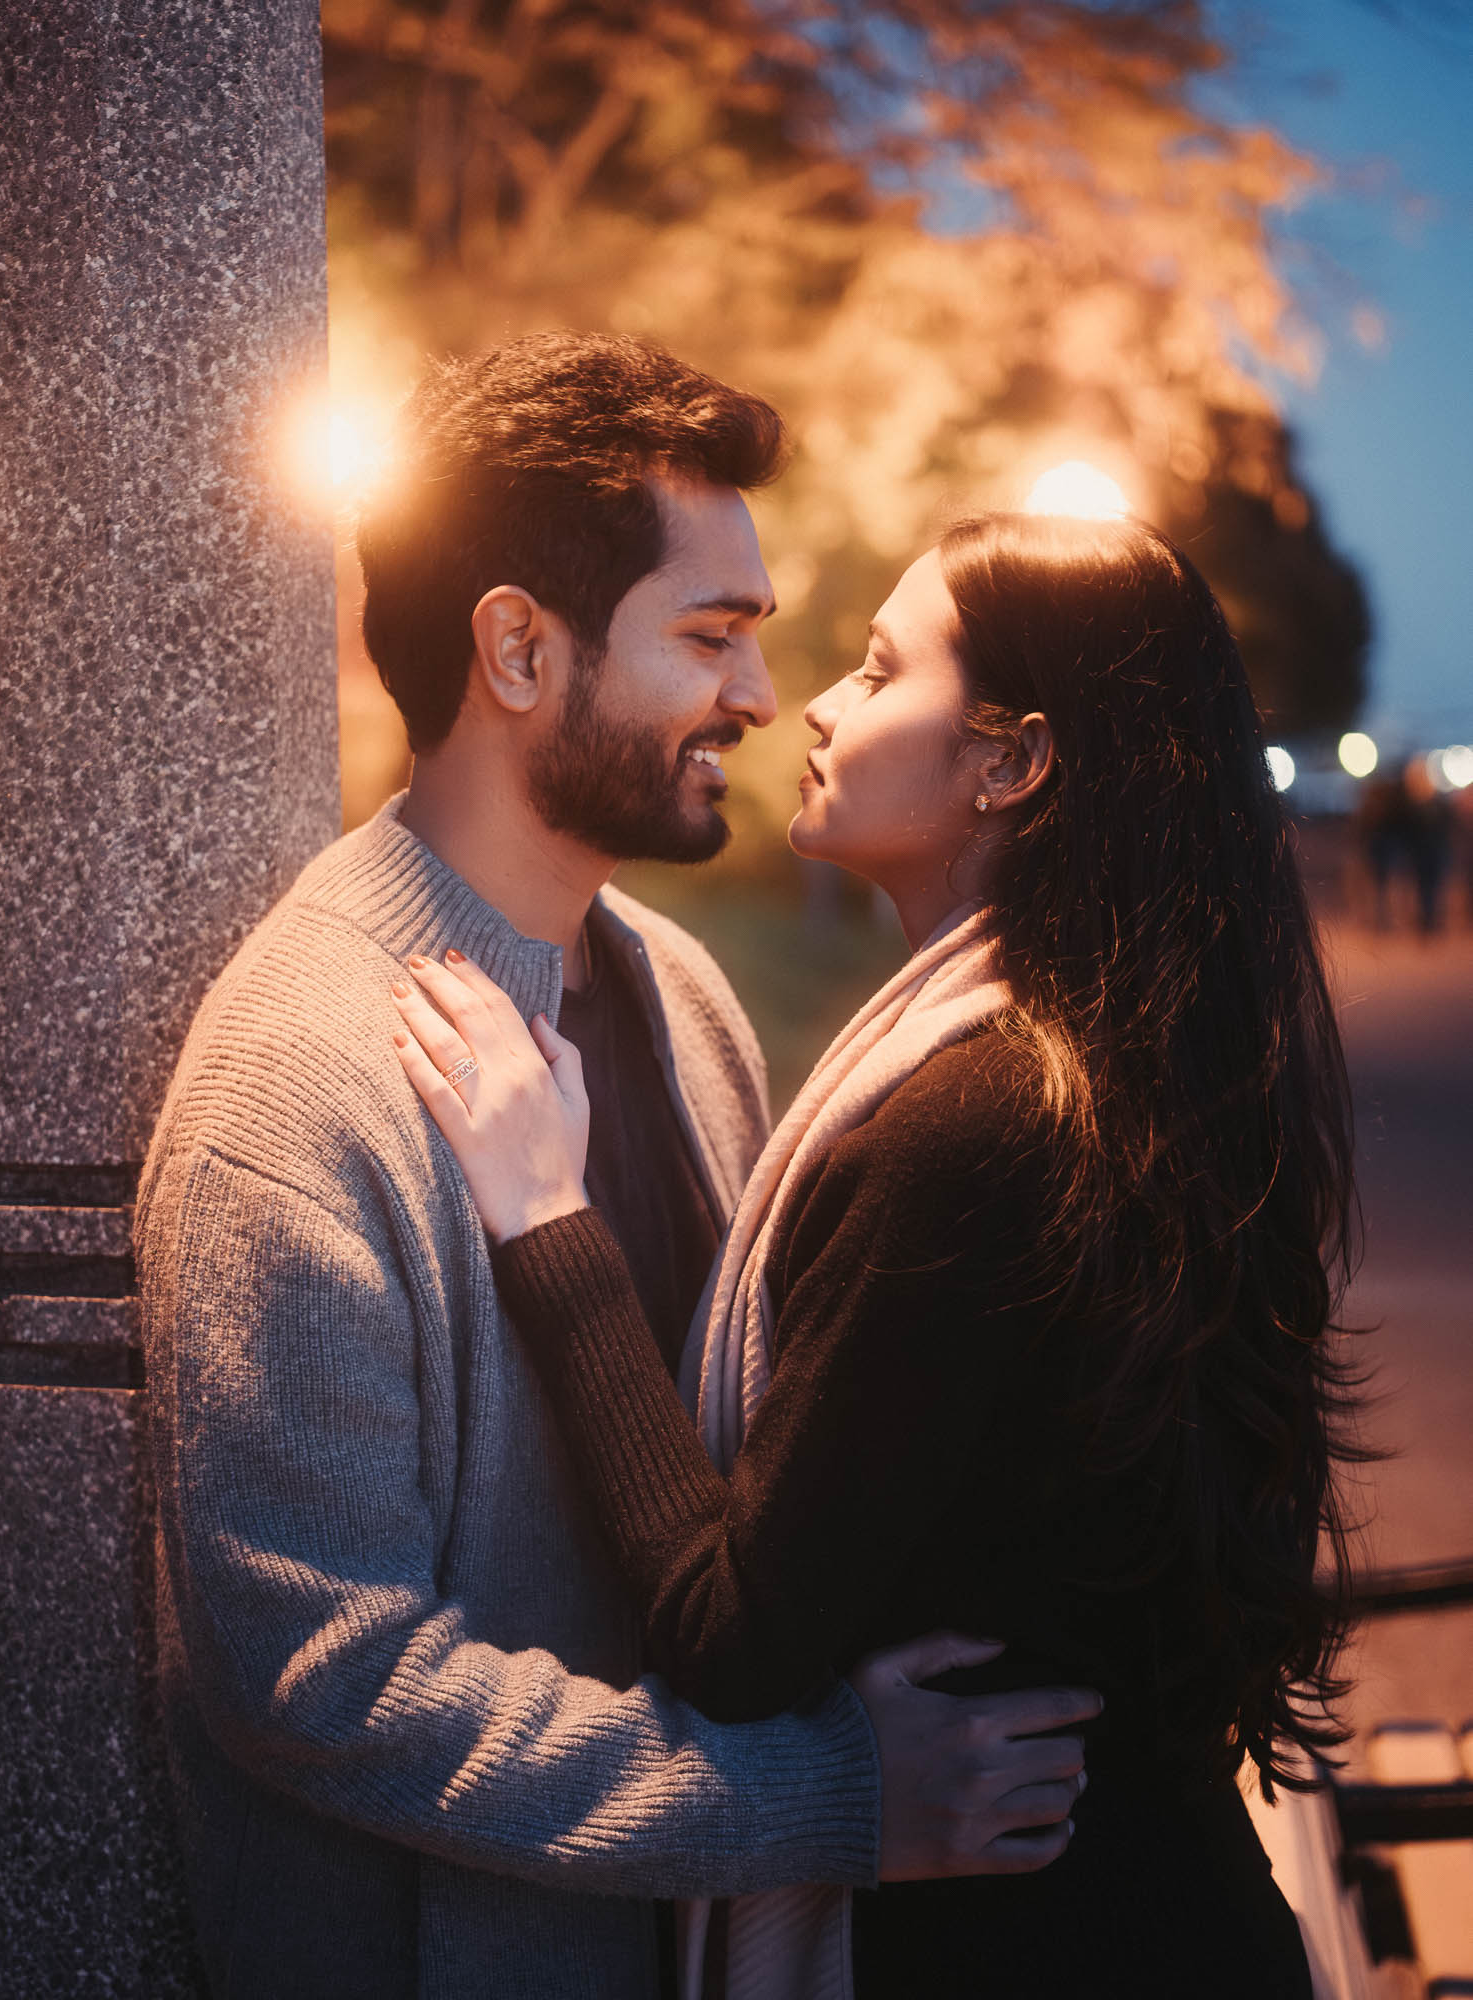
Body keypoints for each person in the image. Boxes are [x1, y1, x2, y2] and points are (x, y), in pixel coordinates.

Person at [135, 336, 1098, 2000]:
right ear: (516, 647)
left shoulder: (683, 996)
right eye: (710, 636)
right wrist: (819, 1795)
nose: (756, 694)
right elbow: (315, 1673)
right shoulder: (297, 1081)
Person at [390, 511, 1362, 1997]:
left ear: (1010, 761)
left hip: (1032, 1941)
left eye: (880, 666)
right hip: (1152, 1912)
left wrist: (546, 1215)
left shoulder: (977, 1128)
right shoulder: (1108, 1070)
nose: (814, 702)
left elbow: (733, 1630)